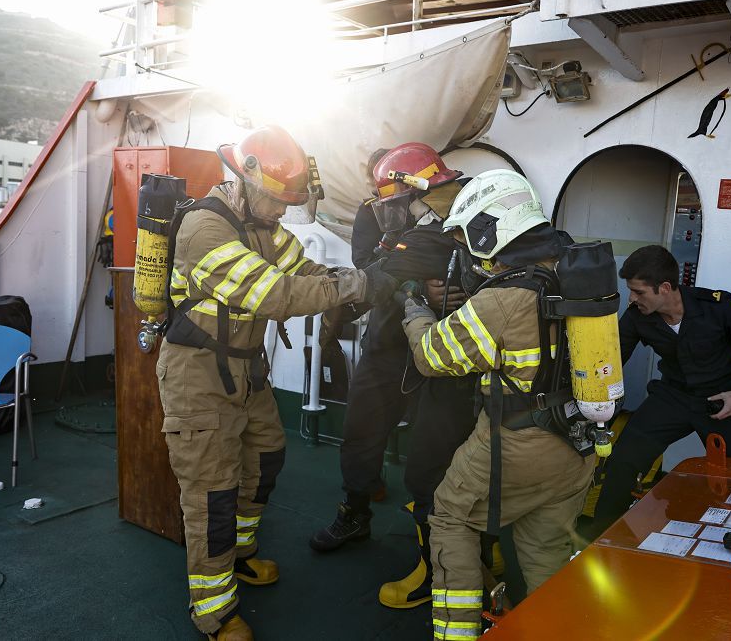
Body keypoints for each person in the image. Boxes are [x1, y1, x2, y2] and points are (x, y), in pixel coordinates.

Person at [157, 125, 396, 641]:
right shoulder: (205, 229)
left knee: (265, 455)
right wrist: (355, 285)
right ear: (243, 180)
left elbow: (304, 270)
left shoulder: (264, 226)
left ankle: (240, 556)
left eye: (289, 202)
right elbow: (275, 295)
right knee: (212, 493)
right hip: (197, 376)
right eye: (275, 200)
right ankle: (214, 611)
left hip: (246, 369)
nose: (282, 211)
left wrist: (363, 282)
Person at [401, 170, 597, 640]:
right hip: (576, 444)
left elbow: (431, 356)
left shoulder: (503, 298)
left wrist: (416, 312)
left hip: (516, 445)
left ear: (490, 233)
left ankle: (457, 633)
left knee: (448, 516)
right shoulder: (577, 276)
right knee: (544, 549)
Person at [310, 142, 483, 610]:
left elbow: (483, 275)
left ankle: (446, 549)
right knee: (361, 430)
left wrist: (453, 288)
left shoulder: (465, 210)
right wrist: (416, 286)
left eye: (392, 197)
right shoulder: (383, 217)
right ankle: (356, 512)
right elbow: (375, 271)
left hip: (444, 353)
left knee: (435, 455)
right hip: (390, 343)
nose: (387, 206)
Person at [590, 244, 731, 536]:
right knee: (622, 462)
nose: (632, 298)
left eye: (639, 291)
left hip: (722, 399)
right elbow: (613, 359)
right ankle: (599, 537)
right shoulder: (638, 316)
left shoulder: (718, 307)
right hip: (672, 396)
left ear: (665, 287)